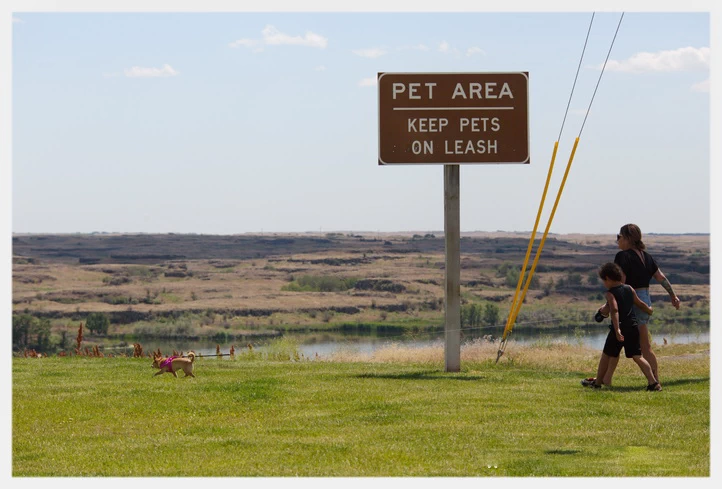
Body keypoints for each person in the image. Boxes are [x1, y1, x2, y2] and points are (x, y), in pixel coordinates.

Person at [591, 224, 681, 385]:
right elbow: (660, 277)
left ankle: (649, 381)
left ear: (627, 239)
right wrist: (673, 295)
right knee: (637, 344)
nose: (617, 240)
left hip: (630, 299)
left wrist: (607, 306)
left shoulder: (622, 256)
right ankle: (610, 379)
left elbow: (620, 284)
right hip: (645, 297)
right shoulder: (646, 256)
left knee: (625, 343)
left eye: (619, 237)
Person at [582, 263, 661, 391]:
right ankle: (654, 383)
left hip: (619, 328)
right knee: (638, 356)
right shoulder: (629, 288)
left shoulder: (609, 294)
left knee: (606, 355)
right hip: (633, 326)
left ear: (607, 278)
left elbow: (614, 310)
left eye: (603, 281)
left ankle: (597, 383)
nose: (604, 283)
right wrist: (649, 310)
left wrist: (617, 329)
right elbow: (639, 303)